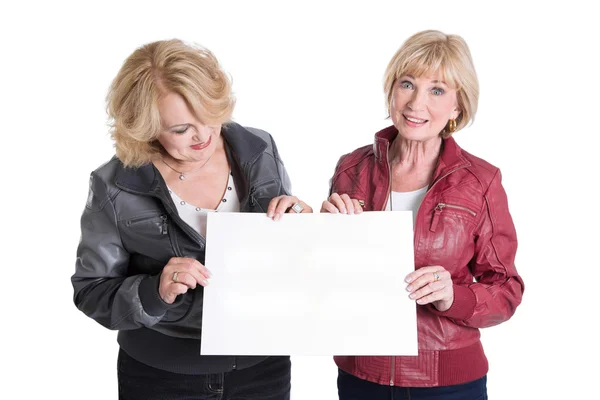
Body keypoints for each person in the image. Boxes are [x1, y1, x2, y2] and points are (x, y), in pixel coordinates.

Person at [71, 39, 312, 400]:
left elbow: (284, 256)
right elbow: (91, 290)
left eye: (208, 116)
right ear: (147, 129)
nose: (203, 136)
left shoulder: (259, 148)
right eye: (181, 129)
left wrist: (302, 227)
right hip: (162, 374)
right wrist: (155, 291)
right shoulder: (114, 185)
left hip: (263, 365)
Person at [321, 30, 524, 399]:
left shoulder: (481, 181)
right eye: (407, 84)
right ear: (391, 91)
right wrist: (321, 233)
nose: (416, 103)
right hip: (361, 375)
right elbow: (325, 278)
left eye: (437, 90)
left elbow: (507, 289)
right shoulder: (351, 168)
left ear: (457, 107)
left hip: (449, 383)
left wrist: (454, 297)